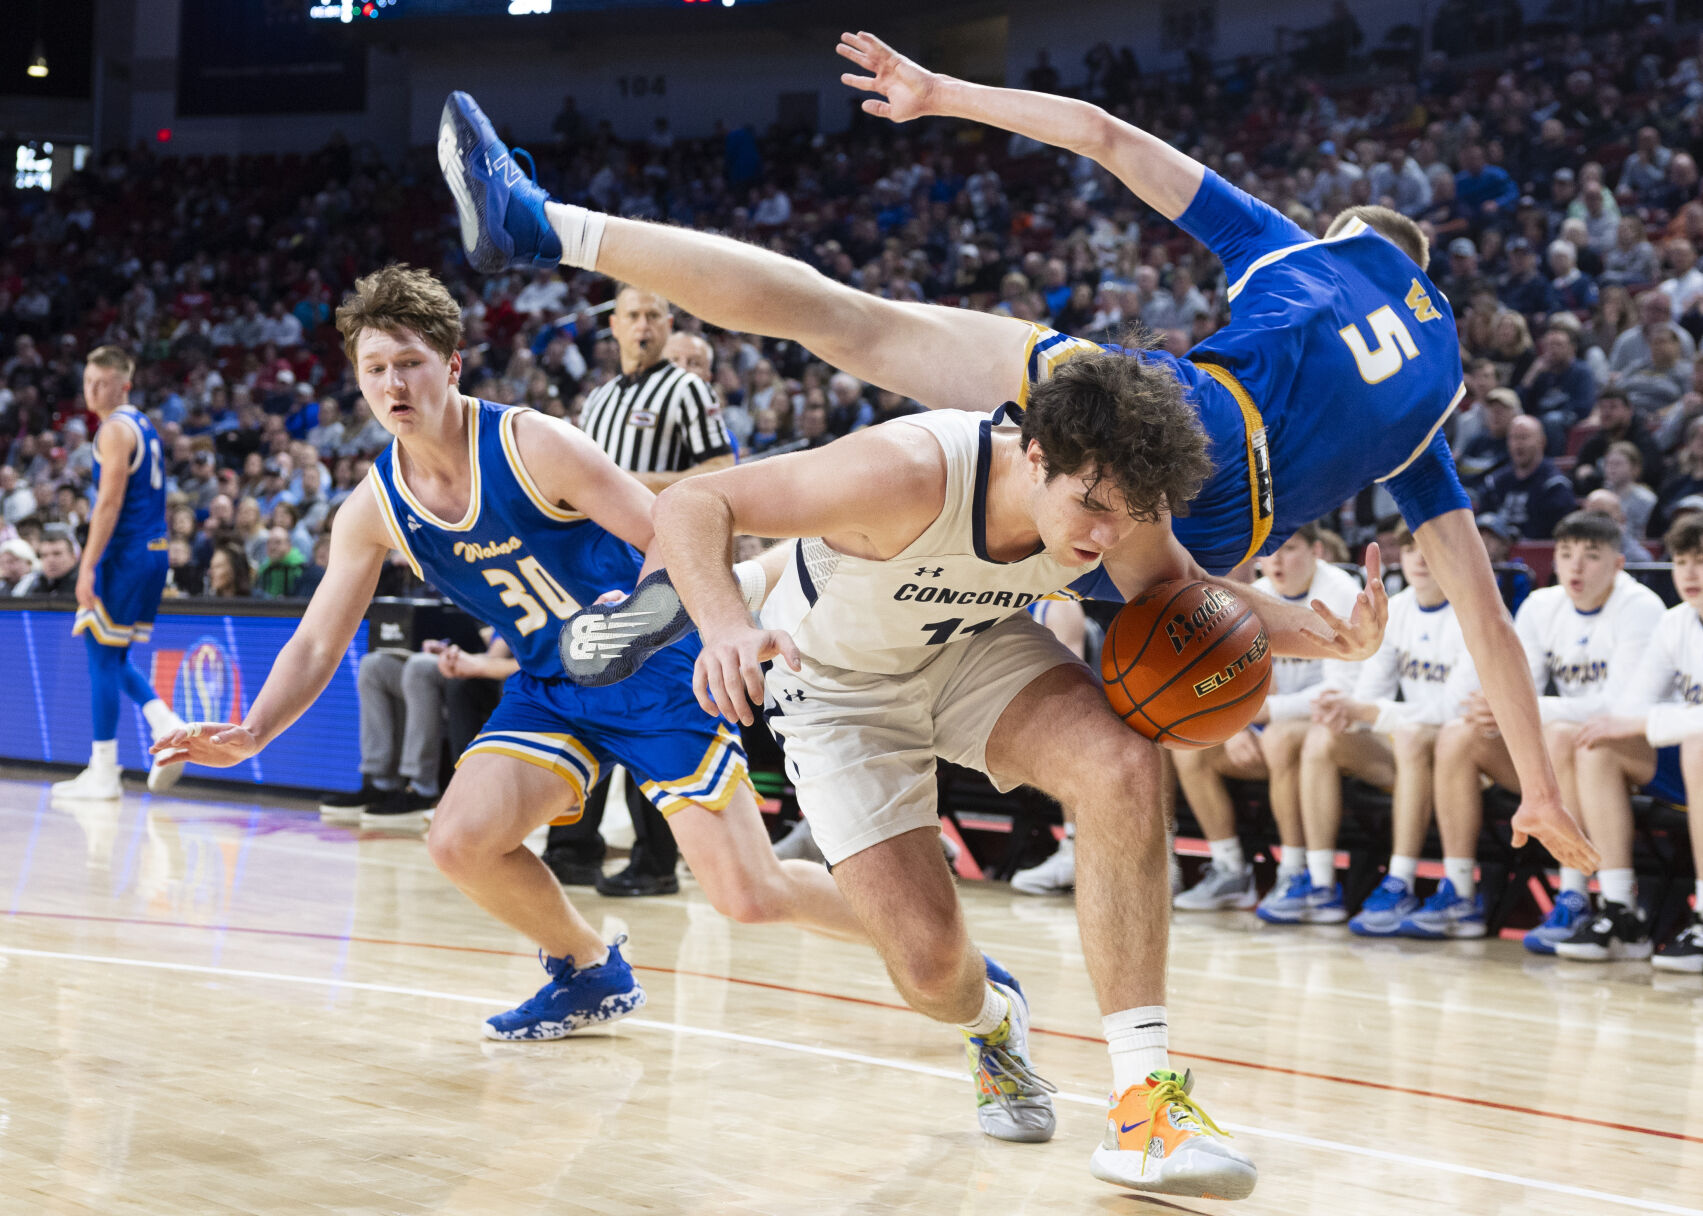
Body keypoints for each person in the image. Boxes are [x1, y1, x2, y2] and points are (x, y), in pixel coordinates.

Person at [441, 67, 1595, 1193]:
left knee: (854, 330)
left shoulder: (1288, 272)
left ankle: (1145, 1103)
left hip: (1122, 473)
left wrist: (944, 96)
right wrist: (1511, 768)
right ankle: (985, 1009)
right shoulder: (1419, 406)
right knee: (933, 970)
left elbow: (1100, 132)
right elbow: (1467, 602)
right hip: (883, 662)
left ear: (1344, 233)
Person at [153, 265, 869, 1061]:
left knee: (749, 895)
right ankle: (588, 966)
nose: (393, 383)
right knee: (459, 839)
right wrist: (253, 732)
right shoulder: (374, 508)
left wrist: (638, 618)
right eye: (375, 369)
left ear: (452, 365)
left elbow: (674, 527)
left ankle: (932, 948)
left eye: (411, 363)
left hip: (656, 667)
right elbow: (319, 641)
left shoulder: (532, 443)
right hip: (552, 687)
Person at [542, 284, 736, 898]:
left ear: (667, 323)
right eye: (633, 316)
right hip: (597, 568)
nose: (644, 325)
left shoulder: (685, 388)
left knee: (650, 702)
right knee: (586, 695)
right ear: (616, 327)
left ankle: (655, 862)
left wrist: (623, 485)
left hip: (660, 566)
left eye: (654, 315)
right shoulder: (596, 400)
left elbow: (721, 471)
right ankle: (573, 847)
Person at [1431, 512, 1664, 949]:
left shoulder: (1641, 608)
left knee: (1559, 732)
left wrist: (1520, 709)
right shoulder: (1541, 606)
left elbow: (1620, 707)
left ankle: (1573, 895)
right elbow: (1525, 686)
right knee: (1460, 737)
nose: (1575, 567)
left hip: (1628, 752)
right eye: (1566, 554)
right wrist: (1500, 709)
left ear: (1618, 564)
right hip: (1567, 751)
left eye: (1591, 557)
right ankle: (1459, 893)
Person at [1173, 525, 1362, 916]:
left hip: (1338, 731)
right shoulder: (1258, 595)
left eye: (1289, 548)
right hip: (1274, 729)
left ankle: (1298, 874)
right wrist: (1239, 724)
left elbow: (1341, 692)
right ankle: (1230, 871)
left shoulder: (1340, 591)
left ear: (1318, 550)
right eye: (1270, 551)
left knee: (1280, 737)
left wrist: (1266, 714)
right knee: (1188, 748)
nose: (1276, 560)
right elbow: (1232, 676)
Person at [1305, 527, 1475, 936]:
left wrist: (1369, 710)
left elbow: (1455, 709)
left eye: (1430, 548)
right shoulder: (1395, 608)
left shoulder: (1472, 612)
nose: (1419, 558)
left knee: (1417, 734)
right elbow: (1368, 693)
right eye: (1412, 548)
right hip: (1411, 753)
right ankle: (1316, 882)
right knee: (1324, 736)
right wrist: (1347, 709)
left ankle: (1402, 880)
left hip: (1465, 756)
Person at [1569, 515, 1703, 970]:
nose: (1689, 574)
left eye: (1700, 562)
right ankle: (1619, 911)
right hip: (1691, 764)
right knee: (1597, 745)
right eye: (1682, 562)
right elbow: (1627, 709)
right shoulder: (1675, 623)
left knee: (1696, 743)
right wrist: (1651, 721)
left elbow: (1645, 717)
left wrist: (1656, 720)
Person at [53, 347, 186, 800]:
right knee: (111, 655)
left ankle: (104, 769)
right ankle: (165, 723)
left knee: (100, 655)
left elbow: (107, 504)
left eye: (102, 382)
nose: (92, 390)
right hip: (152, 551)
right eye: (88, 381)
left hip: (126, 554)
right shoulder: (144, 425)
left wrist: (86, 564)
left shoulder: (113, 430)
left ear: (123, 384)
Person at [1476, 416, 1577, 540]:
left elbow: (1558, 535)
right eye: (1513, 438)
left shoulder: (1555, 485)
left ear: (1542, 442)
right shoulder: (1494, 482)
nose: (1518, 444)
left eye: (1524, 437)